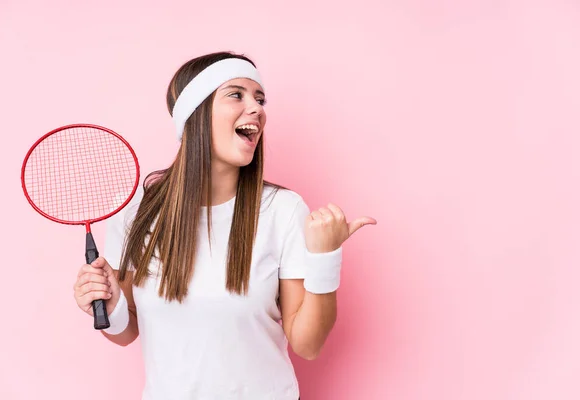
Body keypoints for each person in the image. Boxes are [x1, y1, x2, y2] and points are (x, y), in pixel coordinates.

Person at [73, 51, 376, 400]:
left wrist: (326, 258)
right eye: (237, 94)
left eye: (260, 99)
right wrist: (107, 304)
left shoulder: (282, 210)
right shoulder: (137, 214)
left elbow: (308, 345)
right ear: (195, 113)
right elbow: (126, 332)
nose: (257, 109)